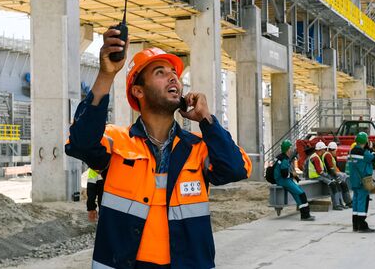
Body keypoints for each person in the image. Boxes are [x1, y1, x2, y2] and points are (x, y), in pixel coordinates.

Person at [65, 28, 252, 269]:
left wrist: (207, 119)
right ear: (138, 91)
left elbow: (236, 169)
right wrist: (106, 75)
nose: (173, 77)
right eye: (160, 72)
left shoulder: (196, 148)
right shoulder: (117, 141)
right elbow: (80, 142)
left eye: (174, 72)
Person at [274, 139, 315, 221]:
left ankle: (305, 214)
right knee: (301, 194)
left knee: (297, 195)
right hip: (283, 180)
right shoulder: (284, 160)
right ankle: (305, 215)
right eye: (290, 148)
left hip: (282, 179)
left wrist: (293, 176)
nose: (291, 150)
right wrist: (293, 175)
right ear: (287, 149)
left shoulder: (281, 157)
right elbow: (284, 174)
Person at [347, 132, 375, 233]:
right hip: (363, 181)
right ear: (365, 141)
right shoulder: (364, 152)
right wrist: (372, 150)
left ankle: (355, 224)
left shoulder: (351, 151)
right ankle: (362, 225)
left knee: (356, 200)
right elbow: (374, 158)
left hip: (354, 180)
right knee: (362, 202)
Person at [308, 141, 344, 210]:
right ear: (320, 150)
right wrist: (329, 177)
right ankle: (336, 205)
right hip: (315, 176)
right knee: (332, 184)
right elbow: (320, 172)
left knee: (334, 183)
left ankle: (338, 204)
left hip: (317, 176)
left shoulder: (317, 156)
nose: (325, 150)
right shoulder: (315, 157)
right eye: (324, 149)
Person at [323, 142, 352, 208]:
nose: (336, 152)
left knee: (343, 184)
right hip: (330, 175)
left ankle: (345, 202)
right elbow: (330, 168)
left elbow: (334, 167)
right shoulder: (328, 155)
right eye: (335, 150)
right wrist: (337, 177)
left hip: (331, 174)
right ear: (333, 149)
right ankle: (341, 203)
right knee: (341, 185)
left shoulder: (330, 155)